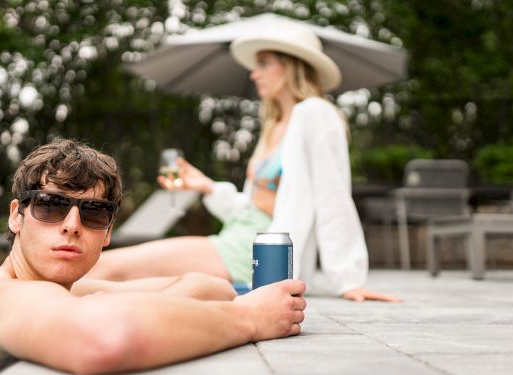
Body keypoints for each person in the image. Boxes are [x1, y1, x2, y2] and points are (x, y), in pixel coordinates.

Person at [0, 140, 306, 375]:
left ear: (107, 232)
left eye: (92, 213)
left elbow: (209, 287)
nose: (71, 224)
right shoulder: (8, 296)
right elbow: (108, 337)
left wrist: (124, 304)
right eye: (50, 206)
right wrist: (248, 318)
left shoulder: (63, 291)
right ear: (16, 217)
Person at [87, 22, 401, 303]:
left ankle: (42, 304)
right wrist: (207, 187)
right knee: (125, 278)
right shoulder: (274, 126)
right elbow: (253, 205)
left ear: (292, 66)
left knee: (108, 266)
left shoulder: (314, 114)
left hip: (261, 248)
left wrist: (348, 278)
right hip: (238, 237)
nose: (254, 73)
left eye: (264, 63)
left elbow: (332, 196)